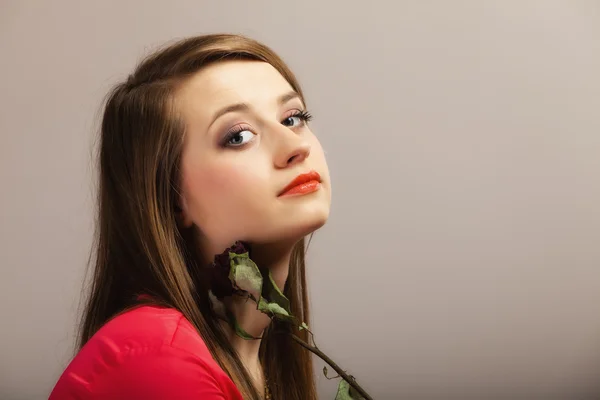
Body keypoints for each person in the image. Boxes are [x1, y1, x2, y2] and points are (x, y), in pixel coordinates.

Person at [49, 33, 331, 400]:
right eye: (238, 136)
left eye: (293, 118)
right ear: (173, 198)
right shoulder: (157, 359)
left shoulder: (257, 362)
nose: (296, 147)